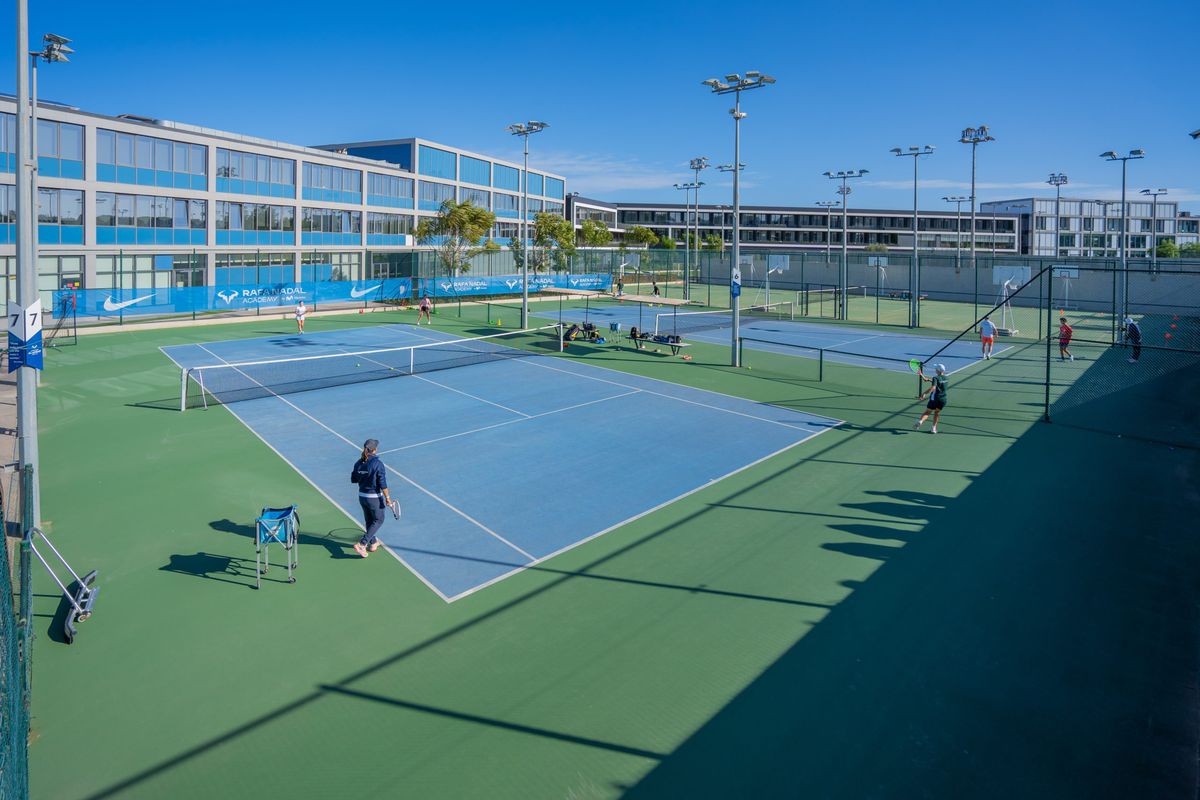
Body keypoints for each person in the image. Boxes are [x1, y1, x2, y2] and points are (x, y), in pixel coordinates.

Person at [351, 439, 392, 558]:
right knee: (379, 520)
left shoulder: (358, 463)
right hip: (374, 498)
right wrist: (388, 498)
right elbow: (382, 484)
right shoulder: (378, 464)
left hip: (362, 497)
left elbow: (354, 479)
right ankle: (362, 544)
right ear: (374, 450)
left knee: (369, 521)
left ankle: (373, 543)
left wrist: (364, 476)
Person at [913, 364, 948, 434]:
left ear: (938, 370)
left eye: (936, 369)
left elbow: (933, 387)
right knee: (937, 412)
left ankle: (921, 421)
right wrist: (928, 379)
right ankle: (933, 429)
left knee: (928, 412)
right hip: (943, 399)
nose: (935, 370)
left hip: (934, 399)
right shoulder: (946, 378)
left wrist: (924, 393)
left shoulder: (935, 378)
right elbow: (938, 381)